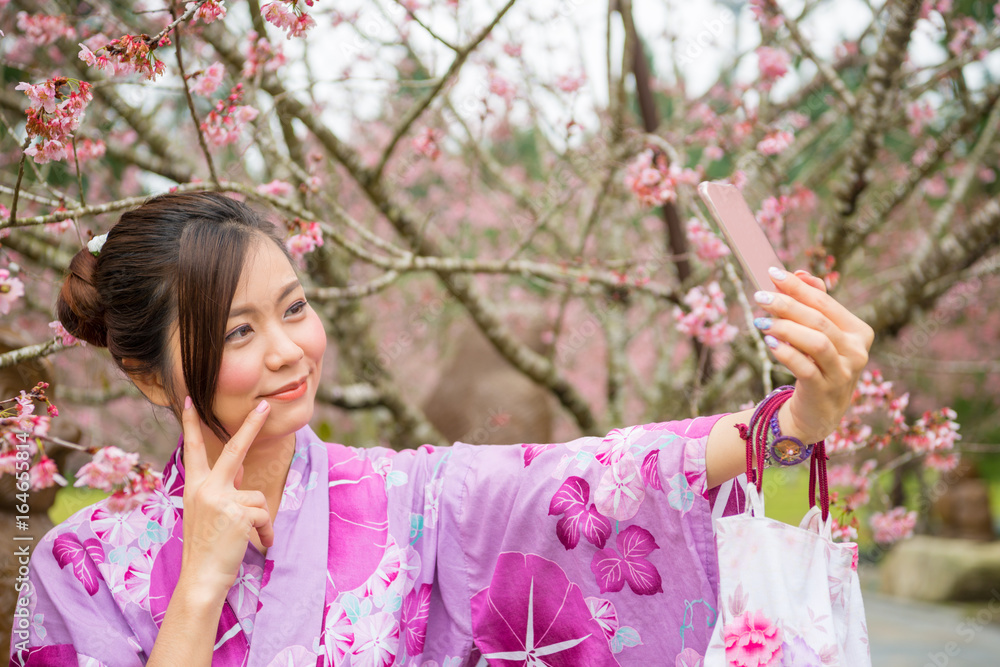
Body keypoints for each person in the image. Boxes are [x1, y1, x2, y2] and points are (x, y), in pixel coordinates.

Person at [9, 192, 873, 666]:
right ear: (146, 371)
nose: (287, 351)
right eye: (239, 331)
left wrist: (791, 423)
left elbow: (586, 479)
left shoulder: (409, 500)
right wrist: (201, 583)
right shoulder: (80, 567)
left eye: (295, 309)